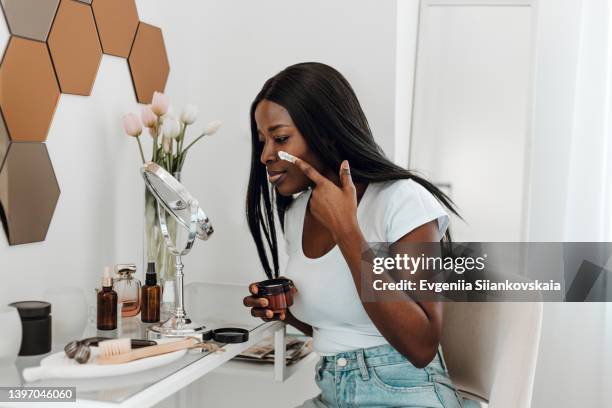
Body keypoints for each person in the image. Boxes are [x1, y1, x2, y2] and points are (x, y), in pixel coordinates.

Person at [243, 62, 465, 407]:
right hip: (333, 390)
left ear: (326, 133)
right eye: (262, 141)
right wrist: (283, 311)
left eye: (280, 138)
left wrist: (348, 231)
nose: (266, 155)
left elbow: (421, 346)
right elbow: (339, 329)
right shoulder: (298, 212)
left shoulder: (401, 200)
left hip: (405, 392)